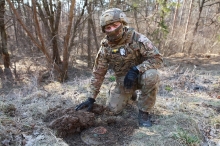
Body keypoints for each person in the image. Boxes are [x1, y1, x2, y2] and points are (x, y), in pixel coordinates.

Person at [75, 8, 163, 127]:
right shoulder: (105, 48)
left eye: (115, 25)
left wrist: (136, 69)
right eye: (108, 28)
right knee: (113, 110)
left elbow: (157, 59)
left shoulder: (137, 39)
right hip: (123, 81)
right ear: (104, 30)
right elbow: (98, 74)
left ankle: (144, 112)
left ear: (122, 23)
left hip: (142, 75)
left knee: (152, 75)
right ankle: (130, 94)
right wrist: (91, 98)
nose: (113, 30)